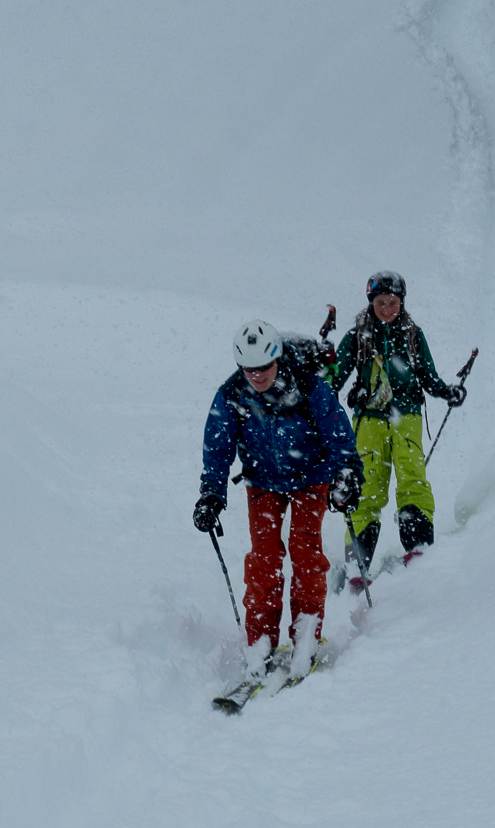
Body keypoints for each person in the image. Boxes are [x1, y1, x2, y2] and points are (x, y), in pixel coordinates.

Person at [194, 320, 362, 672]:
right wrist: (212, 493)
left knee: (306, 554)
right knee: (264, 560)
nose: (257, 376)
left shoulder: (307, 385)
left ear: (277, 359)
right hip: (263, 481)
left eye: (264, 368)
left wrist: (347, 474)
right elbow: (218, 446)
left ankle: (305, 634)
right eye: (249, 370)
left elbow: (338, 431)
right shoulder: (232, 394)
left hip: (310, 479)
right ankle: (261, 641)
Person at [328, 271, 466, 589]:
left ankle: (418, 549)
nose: (388, 308)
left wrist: (447, 392)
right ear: (371, 302)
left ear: (402, 303)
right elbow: (335, 376)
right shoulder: (357, 336)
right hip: (368, 420)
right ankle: (356, 562)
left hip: (407, 416)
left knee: (411, 477)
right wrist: (323, 390)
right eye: (381, 302)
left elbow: (428, 375)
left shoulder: (413, 336)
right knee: (366, 487)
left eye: (393, 302)